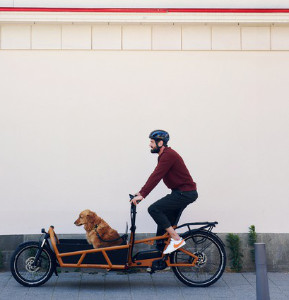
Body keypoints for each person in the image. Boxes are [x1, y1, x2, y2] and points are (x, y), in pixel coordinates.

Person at [131, 130, 198, 254]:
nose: (149, 145)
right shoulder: (164, 155)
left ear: (160, 143)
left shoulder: (168, 155)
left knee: (154, 209)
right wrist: (141, 192)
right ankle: (160, 256)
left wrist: (142, 194)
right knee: (164, 224)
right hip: (180, 193)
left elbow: (156, 176)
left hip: (184, 193)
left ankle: (176, 239)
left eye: (152, 142)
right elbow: (157, 176)